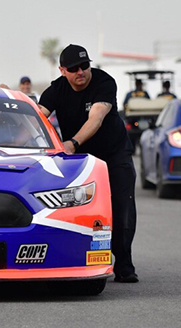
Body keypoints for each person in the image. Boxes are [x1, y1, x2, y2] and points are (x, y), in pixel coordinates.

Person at [38, 44, 139, 283]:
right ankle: (75, 261)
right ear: (63, 70)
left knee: (121, 210)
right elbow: (37, 117)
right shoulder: (56, 90)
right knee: (77, 211)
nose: (80, 72)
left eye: (85, 66)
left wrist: (72, 142)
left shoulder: (104, 82)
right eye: (73, 68)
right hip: (81, 161)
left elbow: (97, 117)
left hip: (114, 155)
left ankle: (124, 264)